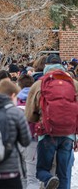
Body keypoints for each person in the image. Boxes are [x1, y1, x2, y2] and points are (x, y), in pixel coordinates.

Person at [25, 54, 78, 189]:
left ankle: (49, 178)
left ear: (46, 66)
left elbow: (30, 115)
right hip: (68, 135)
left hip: (47, 133)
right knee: (64, 174)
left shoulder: (39, 84)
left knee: (42, 170)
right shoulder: (73, 83)